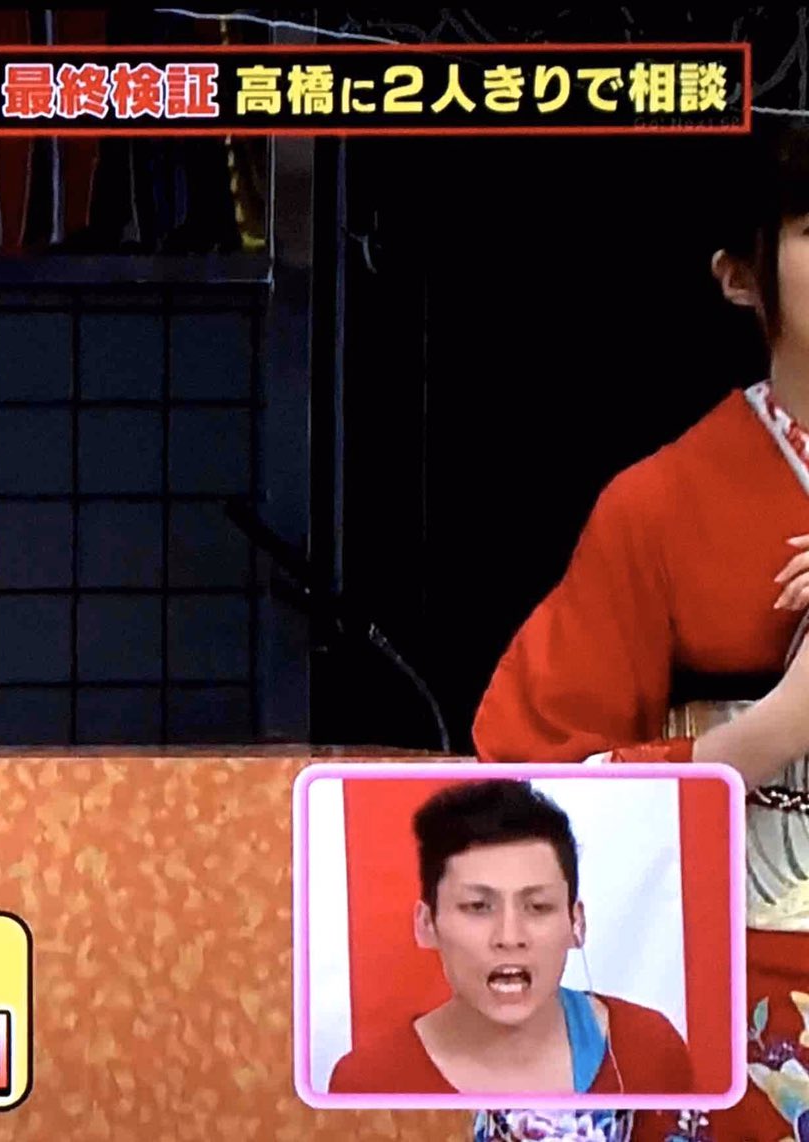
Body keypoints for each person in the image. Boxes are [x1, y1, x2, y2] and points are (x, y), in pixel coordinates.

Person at [472, 124, 809, 1142]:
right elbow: (526, 788)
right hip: (743, 996)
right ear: (740, 277)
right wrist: (767, 734)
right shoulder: (659, 509)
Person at [328, 780, 694, 1098]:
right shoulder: (368, 1082)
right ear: (427, 924)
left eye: (537, 907)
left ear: (576, 922)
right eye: (477, 906)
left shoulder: (647, 1049)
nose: (509, 937)